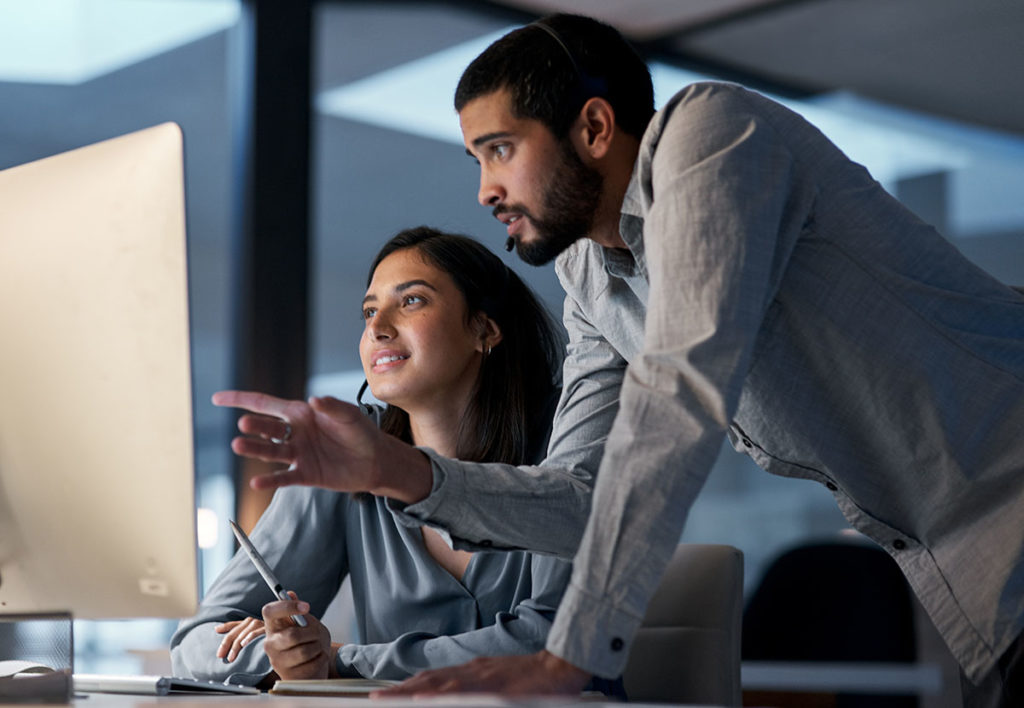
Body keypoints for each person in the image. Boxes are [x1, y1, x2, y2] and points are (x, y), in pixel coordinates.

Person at [214, 15, 1024, 707]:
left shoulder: (712, 135)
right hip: (967, 574)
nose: (486, 190)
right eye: (476, 161)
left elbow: (681, 390)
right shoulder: (590, 276)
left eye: (500, 150)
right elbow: (578, 501)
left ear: (595, 129)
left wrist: (571, 654)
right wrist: (401, 472)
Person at [170, 226, 595, 689]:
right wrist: (279, 652)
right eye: (369, 310)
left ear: (484, 329)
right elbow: (193, 644)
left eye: (411, 301)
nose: (377, 327)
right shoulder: (345, 451)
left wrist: (342, 661)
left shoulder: (572, 437)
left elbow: (551, 644)